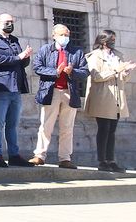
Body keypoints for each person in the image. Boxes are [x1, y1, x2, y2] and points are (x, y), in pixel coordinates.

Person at [29, 23, 90, 168]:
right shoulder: (45, 50)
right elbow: (37, 67)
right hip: (51, 91)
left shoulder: (77, 52)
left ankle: (65, 158)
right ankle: (39, 155)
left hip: (69, 92)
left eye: (67, 35)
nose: (64, 38)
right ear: (54, 36)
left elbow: (85, 71)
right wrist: (55, 72)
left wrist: (72, 72)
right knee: (46, 125)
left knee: (67, 127)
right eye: (61, 35)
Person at [0, 13, 33, 167]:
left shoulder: (14, 40)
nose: (10, 24)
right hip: (0, 87)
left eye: (12, 22)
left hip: (15, 87)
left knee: (12, 124)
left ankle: (14, 154)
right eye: (7, 22)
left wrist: (26, 57)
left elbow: (20, 62)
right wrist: (19, 57)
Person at [83, 30, 135, 172]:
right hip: (103, 96)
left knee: (112, 130)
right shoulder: (95, 56)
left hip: (117, 96)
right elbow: (96, 76)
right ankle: (102, 161)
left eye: (115, 38)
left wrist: (125, 72)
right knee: (104, 129)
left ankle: (111, 160)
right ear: (103, 40)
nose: (113, 41)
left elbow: (121, 77)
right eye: (111, 39)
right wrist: (116, 70)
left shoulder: (117, 55)